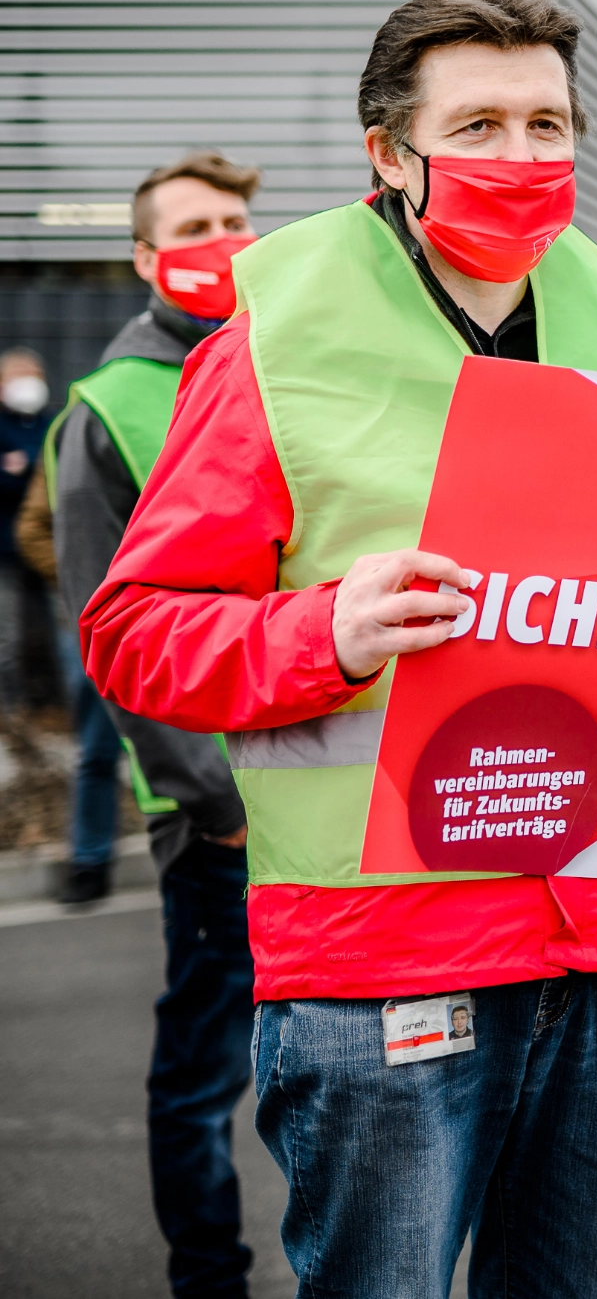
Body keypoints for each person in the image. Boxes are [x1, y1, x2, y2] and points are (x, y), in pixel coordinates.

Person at [78, 0, 597, 1298]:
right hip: (380, 949)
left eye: (546, 124)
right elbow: (133, 632)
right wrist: (326, 626)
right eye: (480, 126)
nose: (521, 157)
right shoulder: (274, 339)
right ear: (391, 156)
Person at [50, 150, 262, 1296]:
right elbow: (113, 639)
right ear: (144, 257)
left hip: (326, 782)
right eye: (192, 226)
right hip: (221, 810)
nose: (222, 240)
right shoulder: (108, 412)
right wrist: (213, 802)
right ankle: (208, 1277)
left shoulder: (286, 359)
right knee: (203, 1072)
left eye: (235, 219)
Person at [16, 443, 126, 906]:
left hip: (156, 614)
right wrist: (89, 585)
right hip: (94, 622)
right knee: (98, 750)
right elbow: (33, 531)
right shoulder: (67, 442)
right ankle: (90, 862)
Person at [0, 349, 53, 716]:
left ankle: (50, 700)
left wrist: (21, 467)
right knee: (8, 631)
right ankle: (12, 704)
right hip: (5, 551)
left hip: (45, 551)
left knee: (53, 631)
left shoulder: (50, 423)